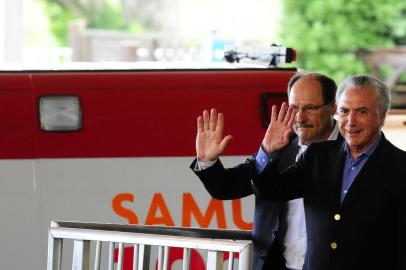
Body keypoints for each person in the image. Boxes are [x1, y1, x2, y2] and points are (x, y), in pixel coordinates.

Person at [252, 74, 406, 270]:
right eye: (344, 111)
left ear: (382, 115)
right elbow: (271, 190)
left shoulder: (400, 168)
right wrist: (268, 150)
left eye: (362, 112)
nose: (351, 121)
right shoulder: (318, 155)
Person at [190, 72, 339, 270]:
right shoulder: (279, 147)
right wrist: (207, 160)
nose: (301, 117)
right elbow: (225, 188)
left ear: (333, 107)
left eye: (310, 108)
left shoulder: (353, 151)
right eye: (294, 108)